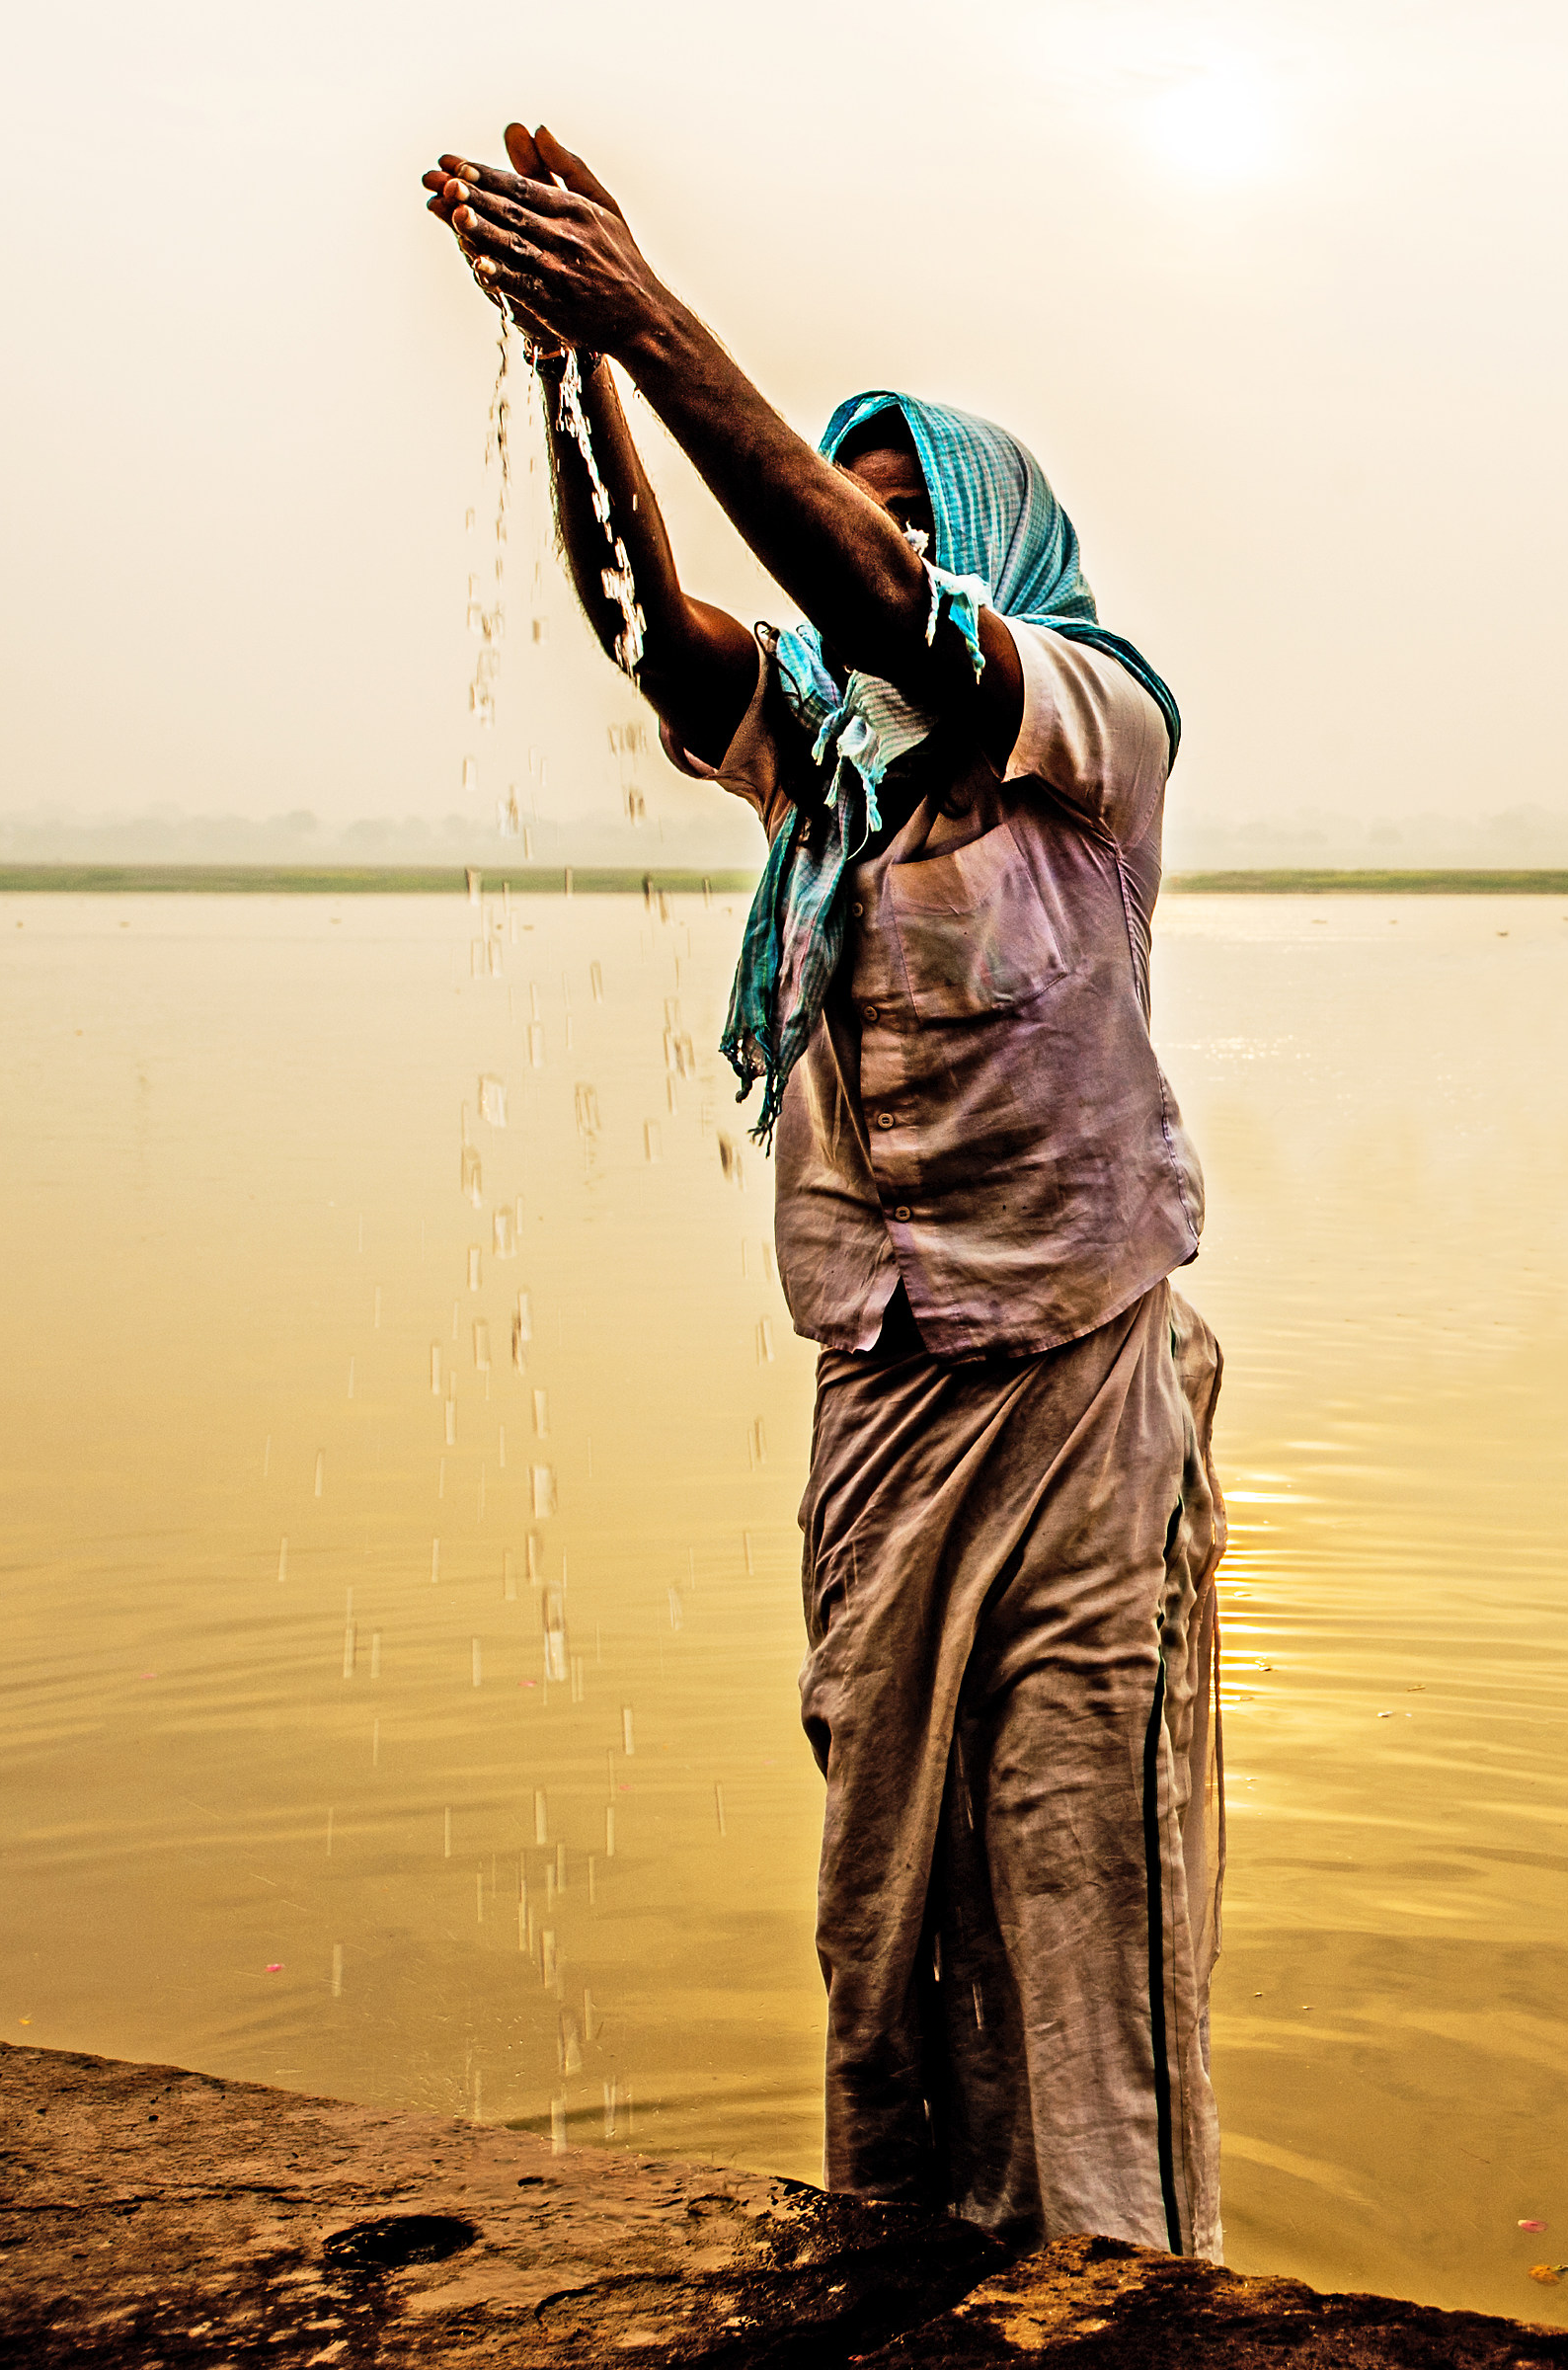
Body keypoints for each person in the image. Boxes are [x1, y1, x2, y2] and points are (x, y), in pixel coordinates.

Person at [423, 124, 1228, 2259]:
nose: (836, 561)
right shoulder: (834, 766)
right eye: (830, 509)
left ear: (978, 550)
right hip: (875, 1398)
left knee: (1075, 1880)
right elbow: (651, 630)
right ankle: (911, 2265)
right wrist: (564, 370)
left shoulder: (1087, 715)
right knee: (878, 1904)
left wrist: (651, 315)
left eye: (887, 524)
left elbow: (894, 622)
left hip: (1074, 1393)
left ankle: (1120, 2288)